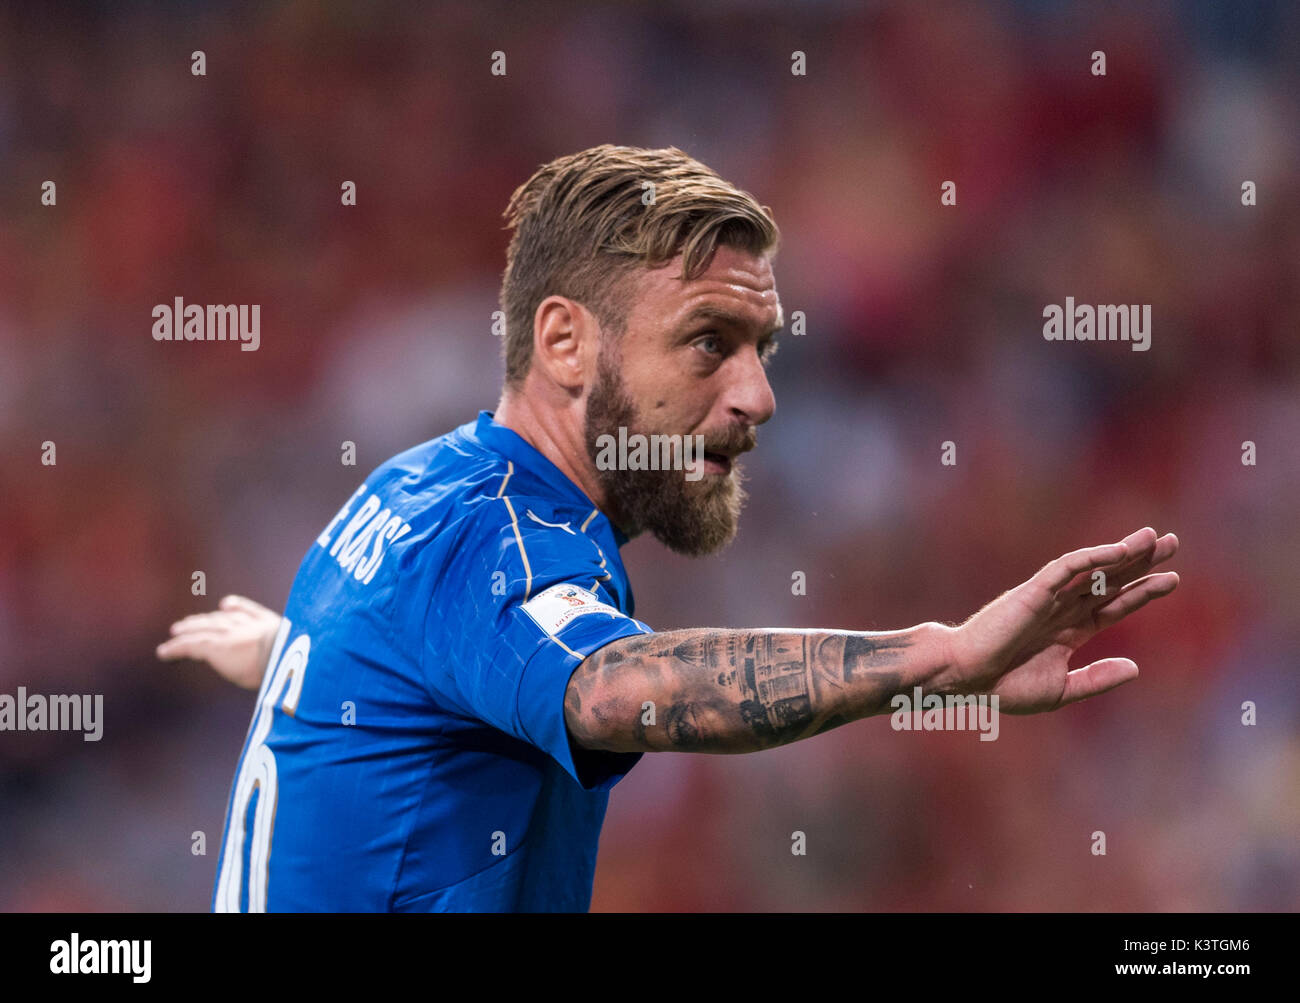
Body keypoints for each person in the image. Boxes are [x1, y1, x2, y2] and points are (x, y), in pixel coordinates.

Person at [157, 144, 1179, 911]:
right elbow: (613, 690)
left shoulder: (410, 489)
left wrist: (309, 652)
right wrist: (935, 657)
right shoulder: (496, 541)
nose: (758, 396)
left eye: (762, 347)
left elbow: (411, 667)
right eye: (708, 343)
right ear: (564, 341)